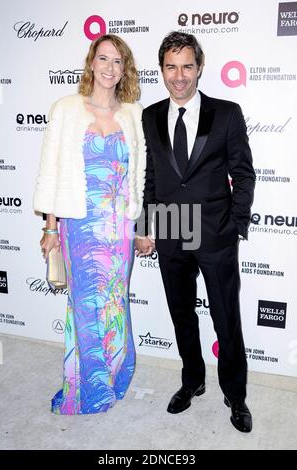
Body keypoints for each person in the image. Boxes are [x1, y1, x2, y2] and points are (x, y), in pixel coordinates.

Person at [135, 31, 255, 433]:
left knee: (226, 317)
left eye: (187, 66)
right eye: (171, 67)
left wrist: (235, 224)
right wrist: (144, 226)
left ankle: (235, 395)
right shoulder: (149, 115)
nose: (179, 75)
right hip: (170, 227)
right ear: (162, 70)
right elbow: (147, 176)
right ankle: (193, 380)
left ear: (200, 67)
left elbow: (242, 172)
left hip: (215, 230)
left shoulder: (226, 113)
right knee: (182, 315)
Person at [33, 34, 146, 414]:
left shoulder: (132, 114)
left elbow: (139, 177)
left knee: (114, 303)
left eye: (118, 61)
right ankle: (86, 384)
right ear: (91, 63)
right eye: (103, 59)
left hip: (119, 230)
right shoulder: (66, 109)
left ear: (124, 68)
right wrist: (51, 228)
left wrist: (140, 222)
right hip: (80, 225)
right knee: (85, 305)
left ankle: (113, 373)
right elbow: (51, 172)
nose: (110, 68)